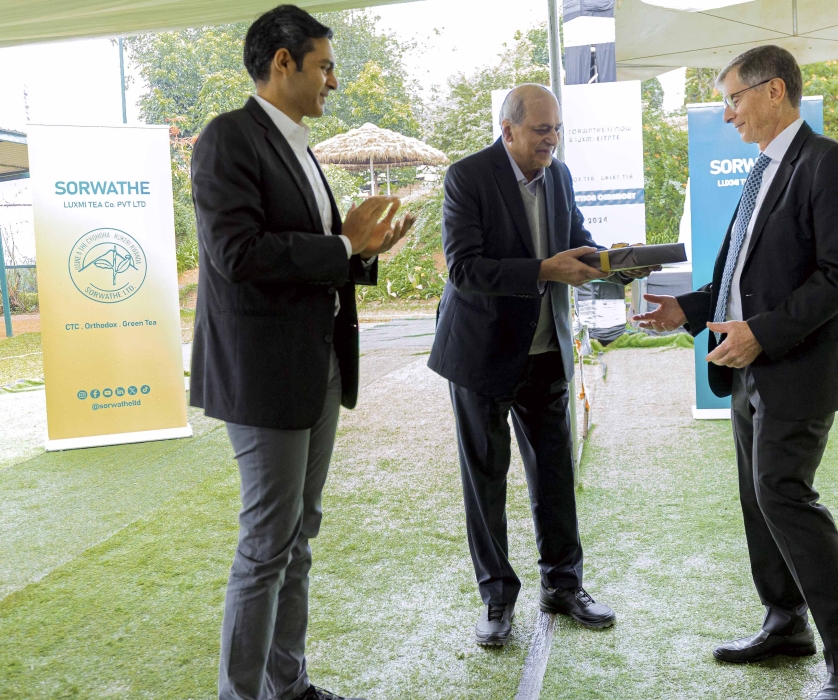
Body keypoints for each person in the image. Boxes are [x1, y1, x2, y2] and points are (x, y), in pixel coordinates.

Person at [633, 45, 838, 700]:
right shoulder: (762, 172)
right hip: (750, 363)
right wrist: (688, 309)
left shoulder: (830, 166)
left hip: (799, 364)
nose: (728, 114)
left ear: (773, 91)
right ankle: (785, 624)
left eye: (734, 98)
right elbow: (740, 278)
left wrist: (762, 335)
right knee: (759, 498)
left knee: (783, 492)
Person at [189, 6, 413, 700]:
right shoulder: (228, 139)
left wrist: (361, 253)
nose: (333, 82)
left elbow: (317, 256)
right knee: (265, 547)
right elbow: (236, 255)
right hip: (264, 377)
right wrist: (345, 246)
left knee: (297, 539)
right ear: (281, 63)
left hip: (317, 368)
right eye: (324, 65)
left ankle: (289, 685)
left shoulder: (301, 148)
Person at [428, 84, 654, 646]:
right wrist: (542, 271)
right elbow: (464, 270)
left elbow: (574, 243)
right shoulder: (467, 177)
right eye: (540, 130)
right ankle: (497, 599)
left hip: (545, 350)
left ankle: (563, 584)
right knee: (486, 480)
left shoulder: (560, 175)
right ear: (508, 130)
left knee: (554, 475)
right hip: (480, 356)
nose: (551, 140)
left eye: (556, 129)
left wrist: (612, 262)